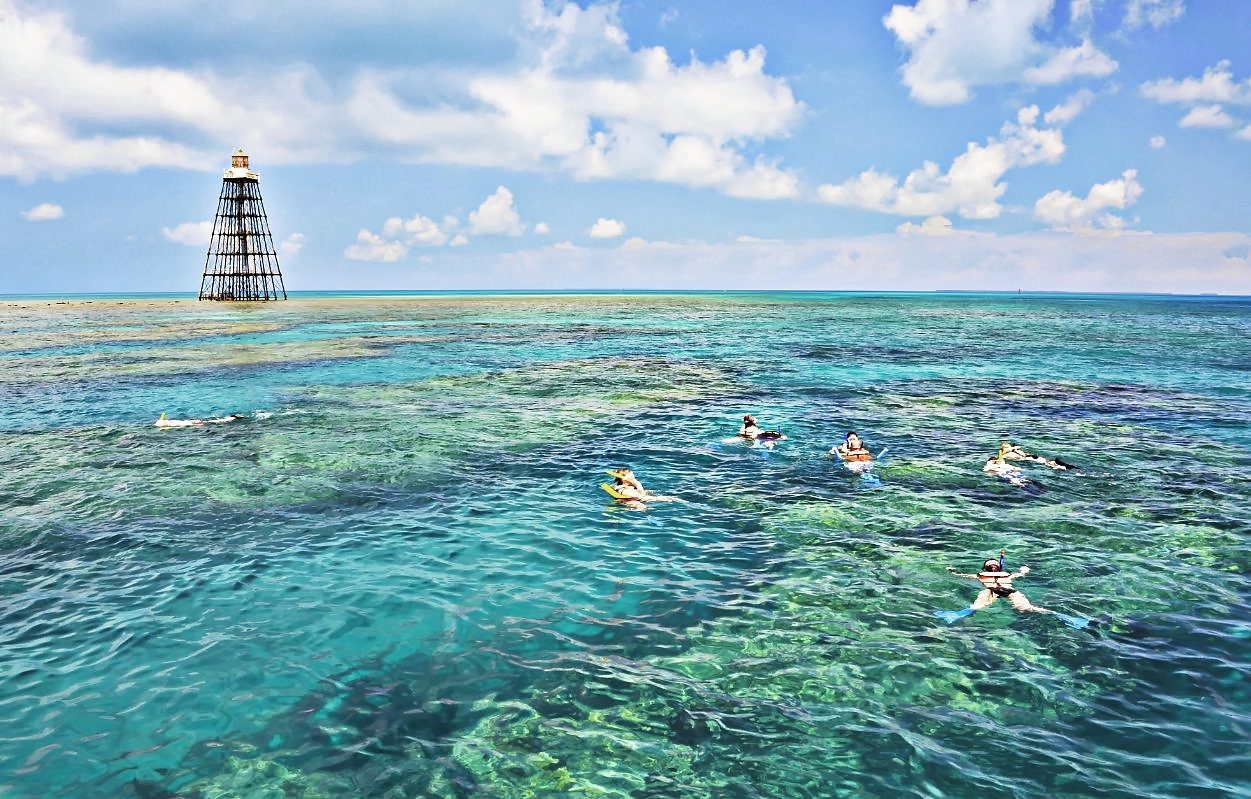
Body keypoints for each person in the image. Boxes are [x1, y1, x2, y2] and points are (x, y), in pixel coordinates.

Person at [945, 549, 1048, 614]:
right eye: (990, 564)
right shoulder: (982, 575)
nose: (993, 565)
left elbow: (1020, 574)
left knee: (1025, 607)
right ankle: (959, 614)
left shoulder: (1005, 575)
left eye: (994, 564)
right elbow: (963, 575)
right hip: (997, 590)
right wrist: (953, 572)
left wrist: (1024, 569)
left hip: (1002, 590)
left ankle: (1049, 613)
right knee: (977, 606)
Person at [997, 440, 1075, 470]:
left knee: (1048, 463)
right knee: (1048, 463)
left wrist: (1013, 449)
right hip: (1031, 458)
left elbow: (1001, 457)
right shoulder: (1006, 454)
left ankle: (1063, 466)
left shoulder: (1011, 452)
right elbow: (1002, 454)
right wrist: (1012, 448)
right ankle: (1063, 466)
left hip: (1030, 458)